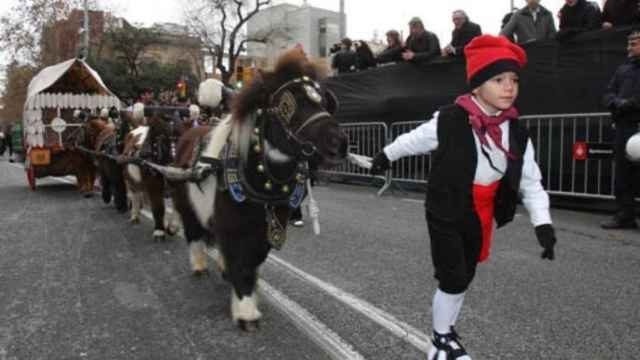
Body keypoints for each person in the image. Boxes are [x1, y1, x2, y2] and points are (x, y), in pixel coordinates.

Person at [370, 35, 557, 359]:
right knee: (453, 275)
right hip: (445, 204)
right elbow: (413, 140)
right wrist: (385, 155)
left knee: (466, 273)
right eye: (498, 79)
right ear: (476, 85)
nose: (509, 87)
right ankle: (440, 341)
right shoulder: (450, 118)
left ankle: (447, 329)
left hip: (482, 209)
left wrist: (543, 223)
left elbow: (531, 179)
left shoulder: (517, 131)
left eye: (514, 80)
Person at [600, 30, 640, 229]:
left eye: (634, 43)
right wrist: (617, 103)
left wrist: (631, 104)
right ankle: (625, 215)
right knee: (623, 173)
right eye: (628, 43)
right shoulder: (623, 69)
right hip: (624, 128)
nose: (629, 48)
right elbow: (608, 93)